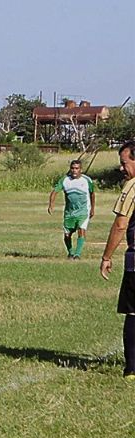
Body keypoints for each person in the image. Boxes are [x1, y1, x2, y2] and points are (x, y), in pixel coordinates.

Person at [98, 140, 135, 379]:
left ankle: (132, 368)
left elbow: (121, 224)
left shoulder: (132, 186)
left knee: (133, 313)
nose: (122, 168)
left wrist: (106, 256)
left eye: (125, 163)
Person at [48, 159, 95, 259]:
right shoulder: (65, 180)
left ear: (81, 170)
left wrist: (92, 209)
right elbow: (55, 192)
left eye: (77, 168)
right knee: (67, 234)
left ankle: (77, 254)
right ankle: (70, 252)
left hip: (83, 210)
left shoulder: (87, 180)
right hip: (69, 212)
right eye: (72, 168)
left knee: (81, 230)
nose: (74, 170)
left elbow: (92, 194)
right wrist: (51, 205)